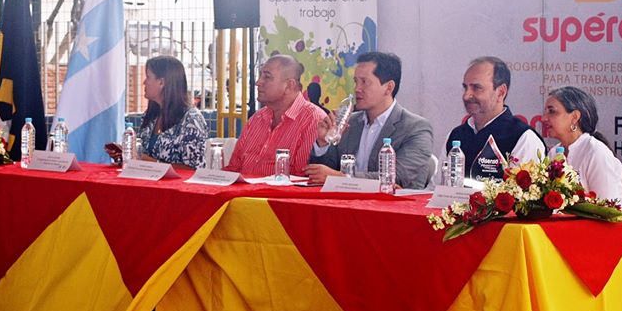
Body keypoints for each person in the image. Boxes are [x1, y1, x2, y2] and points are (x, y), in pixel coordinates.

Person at [305, 51, 433, 188]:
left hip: (390, 201)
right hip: (343, 199)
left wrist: (342, 178)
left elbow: (399, 177)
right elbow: (321, 175)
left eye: (364, 82)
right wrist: (323, 143)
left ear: (388, 87)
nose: (357, 89)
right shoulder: (349, 122)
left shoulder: (416, 128)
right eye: (356, 81)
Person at [225, 54, 326, 176]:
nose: (258, 82)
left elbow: (303, 178)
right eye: (260, 76)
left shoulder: (313, 120)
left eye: (267, 77)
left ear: (289, 85)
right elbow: (233, 169)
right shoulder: (257, 118)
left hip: (282, 189)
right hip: (243, 188)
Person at [445, 56, 544, 176]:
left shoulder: (523, 138)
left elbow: (525, 187)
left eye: (477, 88)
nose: (466, 96)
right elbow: (438, 185)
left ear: (501, 92)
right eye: (465, 87)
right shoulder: (455, 135)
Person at [541, 86, 622, 201]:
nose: (544, 118)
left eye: (552, 111)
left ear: (574, 117)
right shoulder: (554, 153)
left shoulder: (596, 153)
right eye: (545, 112)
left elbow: (609, 206)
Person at [125, 55, 207, 169]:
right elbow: (141, 155)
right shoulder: (151, 115)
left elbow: (193, 169)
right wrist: (126, 156)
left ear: (161, 82)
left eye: (148, 77)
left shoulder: (191, 120)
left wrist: (152, 163)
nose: (144, 82)